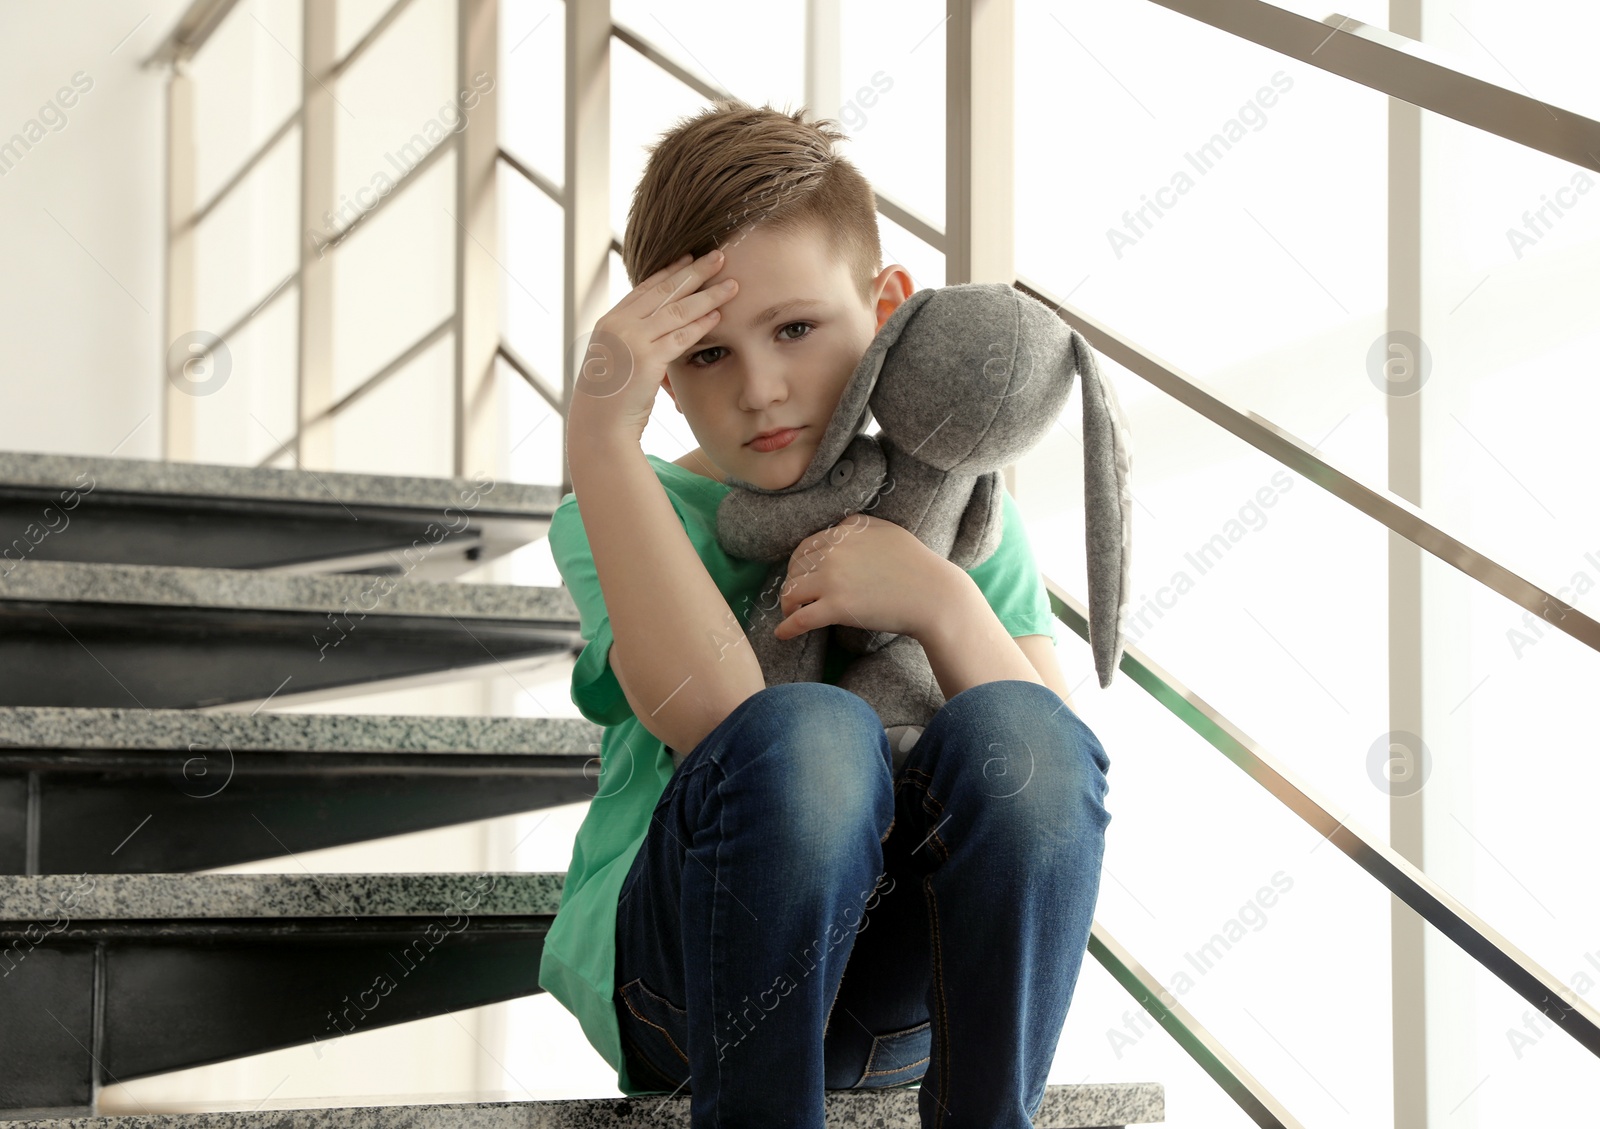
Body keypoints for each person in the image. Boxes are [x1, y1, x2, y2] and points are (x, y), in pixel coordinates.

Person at [536, 98, 1112, 1129]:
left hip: (910, 996)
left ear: (886, 307)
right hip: (688, 984)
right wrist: (598, 437)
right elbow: (717, 711)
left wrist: (936, 596)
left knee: (1022, 730)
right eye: (706, 354)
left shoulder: (962, 507)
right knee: (807, 732)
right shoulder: (624, 508)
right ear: (664, 372)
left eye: (795, 328)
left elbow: (1046, 780)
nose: (761, 388)